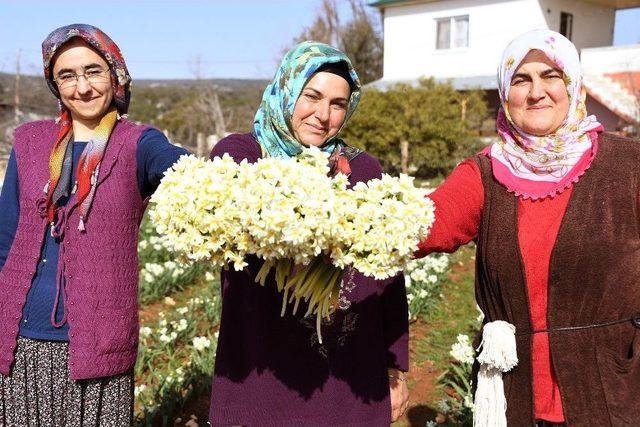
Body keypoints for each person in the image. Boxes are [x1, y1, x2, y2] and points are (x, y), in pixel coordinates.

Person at [417, 29, 640, 426]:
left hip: (614, 391)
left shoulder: (628, 166)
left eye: (551, 75)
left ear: (574, 86)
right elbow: (422, 225)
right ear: (505, 94)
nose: (536, 92)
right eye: (521, 80)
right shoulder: (484, 175)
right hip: (516, 394)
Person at [208, 41, 410, 426]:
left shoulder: (362, 171)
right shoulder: (242, 156)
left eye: (337, 104)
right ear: (286, 90)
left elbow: (390, 276)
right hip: (259, 372)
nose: (323, 115)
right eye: (311, 96)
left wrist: (394, 364)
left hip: (346, 375)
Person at [0, 24, 188, 425]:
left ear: (115, 75)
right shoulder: (30, 141)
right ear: (54, 84)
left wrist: (197, 172)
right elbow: (5, 238)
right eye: (67, 75)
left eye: (93, 71)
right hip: (21, 337)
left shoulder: (137, 142)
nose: (82, 87)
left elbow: (174, 163)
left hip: (98, 343)